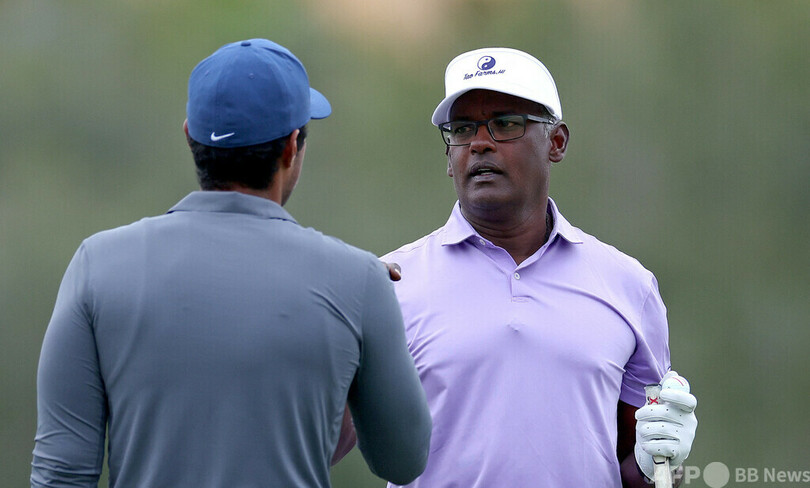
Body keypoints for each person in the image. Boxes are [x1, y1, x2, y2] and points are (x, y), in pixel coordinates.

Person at [31, 38, 431, 488]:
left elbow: (61, 474)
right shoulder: (359, 282)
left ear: (190, 137)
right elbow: (403, 461)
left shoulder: (96, 265)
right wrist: (363, 327)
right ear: (291, 147)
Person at [377, 47, 698, 487]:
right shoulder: (391, 283)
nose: (479, 142)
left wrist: (659, 464)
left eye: (506, 123)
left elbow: (646, 471)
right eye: (462, 129)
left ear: (557, 142)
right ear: (449, 157)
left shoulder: (628, 286)